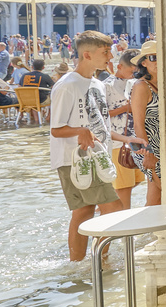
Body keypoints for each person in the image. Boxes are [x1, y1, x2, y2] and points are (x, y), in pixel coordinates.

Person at [48, 32, 121, 260]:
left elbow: (100, 124)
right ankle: (101, 261)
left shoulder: (97, 84)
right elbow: (56, 129)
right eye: (105, 52)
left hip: (96, 159)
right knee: (114, 209)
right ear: (87, 55)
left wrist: (125, 140)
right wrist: (81, 131)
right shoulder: (67, 86)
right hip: (76, 159)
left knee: (83, 212)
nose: (110, 56)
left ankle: (78, 263)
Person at [104, 52, 143, 210]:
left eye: (135, 71)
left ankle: (111, 206)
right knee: (124, 187)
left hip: (134, 139)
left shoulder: (134, 83)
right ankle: (120, 217)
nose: (133, 74)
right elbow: (101, 115)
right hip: (117, 141)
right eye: (130, 70)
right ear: (119, 66)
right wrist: (125, 108)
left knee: (136, 181)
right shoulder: (107, 85)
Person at [129, 41, 164, 208]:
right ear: (144, 62)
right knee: (159, 193)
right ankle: (151, 232)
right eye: (153, 58)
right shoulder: (141, 86)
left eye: (161, 56)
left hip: (162, 145)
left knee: (160, 196)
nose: (158, 61)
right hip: (147, 145)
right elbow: (137, 124)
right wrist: (147, 153)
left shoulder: (164, 83)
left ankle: (153, 233)